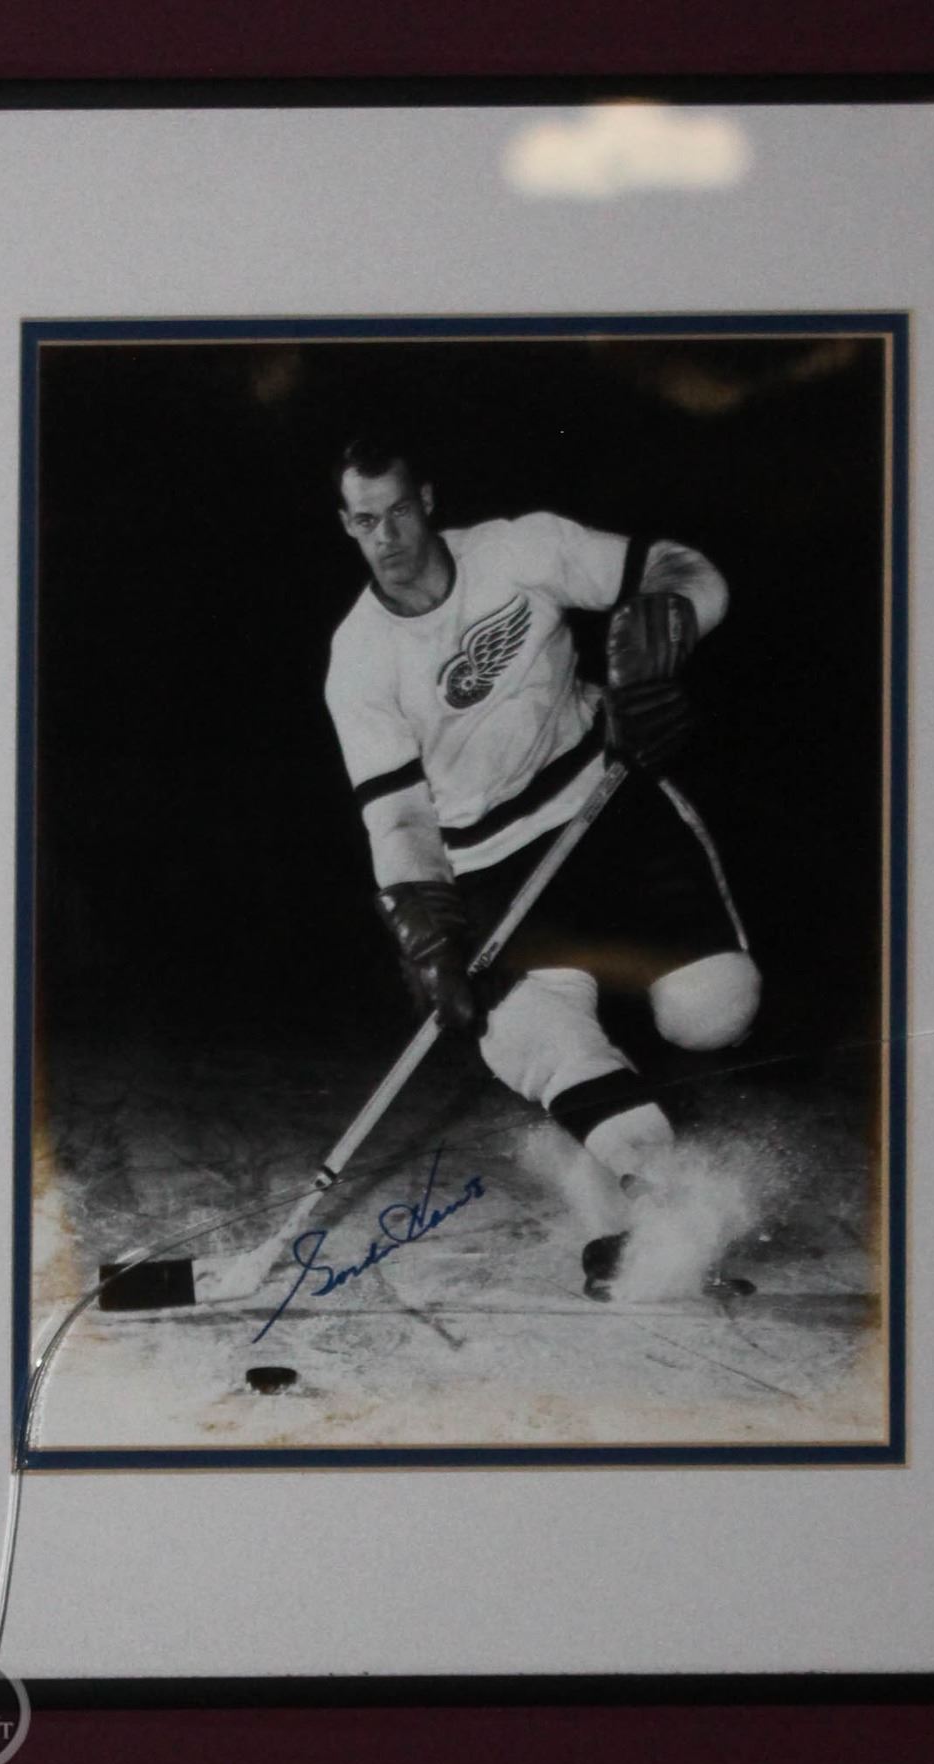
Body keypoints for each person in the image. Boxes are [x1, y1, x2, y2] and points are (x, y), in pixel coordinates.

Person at [324, 436, 760, 1296]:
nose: (388, 536)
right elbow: (400, 814)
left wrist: (668, 621)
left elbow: (683, 567)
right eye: (367, 521)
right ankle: (659, 1197)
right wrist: (428, 934)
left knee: (715, 1012)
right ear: (347, 525)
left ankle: (632, 1082)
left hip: (609, 807)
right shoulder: (359, 660)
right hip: (493, 864)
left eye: (400, 511)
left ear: (427, 500)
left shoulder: (519, 550)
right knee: (532, 1039)